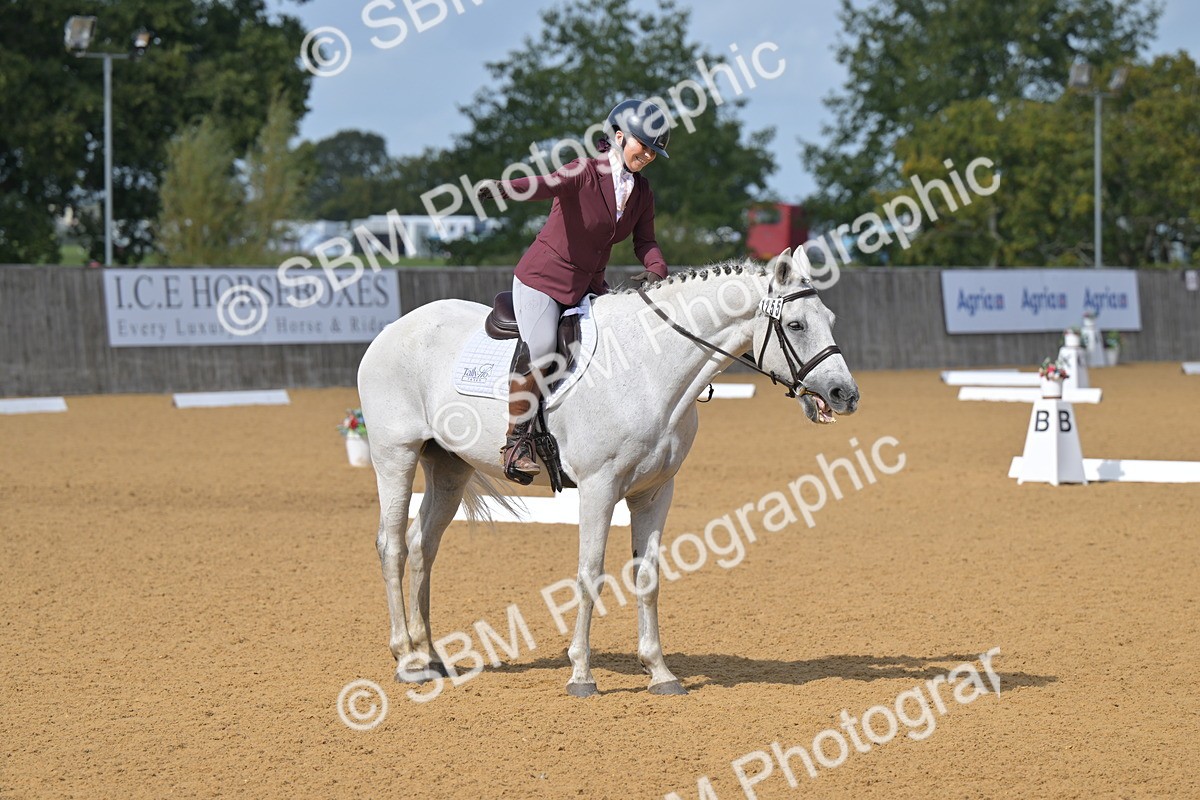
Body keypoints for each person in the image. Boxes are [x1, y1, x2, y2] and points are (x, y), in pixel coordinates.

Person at [478, 99, 672, 484]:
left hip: (588, 285)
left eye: (653, 151)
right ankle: (516, 443)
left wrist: (657, 269)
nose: (648, 155)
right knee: (545, 348)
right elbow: (543, 184)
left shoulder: (642, 192)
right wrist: (505, 189)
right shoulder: (584, 170)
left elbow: (645, 240)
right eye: (643, 145)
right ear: (619, 137)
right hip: (543, 280)